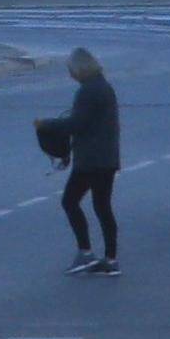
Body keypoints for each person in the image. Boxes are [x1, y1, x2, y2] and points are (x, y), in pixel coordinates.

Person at [55, 48, 123, 274]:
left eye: (71, 70)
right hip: (107, 157)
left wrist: (48, 126)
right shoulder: (104, 87)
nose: (70, 74)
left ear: (80, 68)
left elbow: (77, 125)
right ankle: (111, 260)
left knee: (70, 201)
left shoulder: (88, 91)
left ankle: (86, 253)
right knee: (102, 207)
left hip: (91, 160)